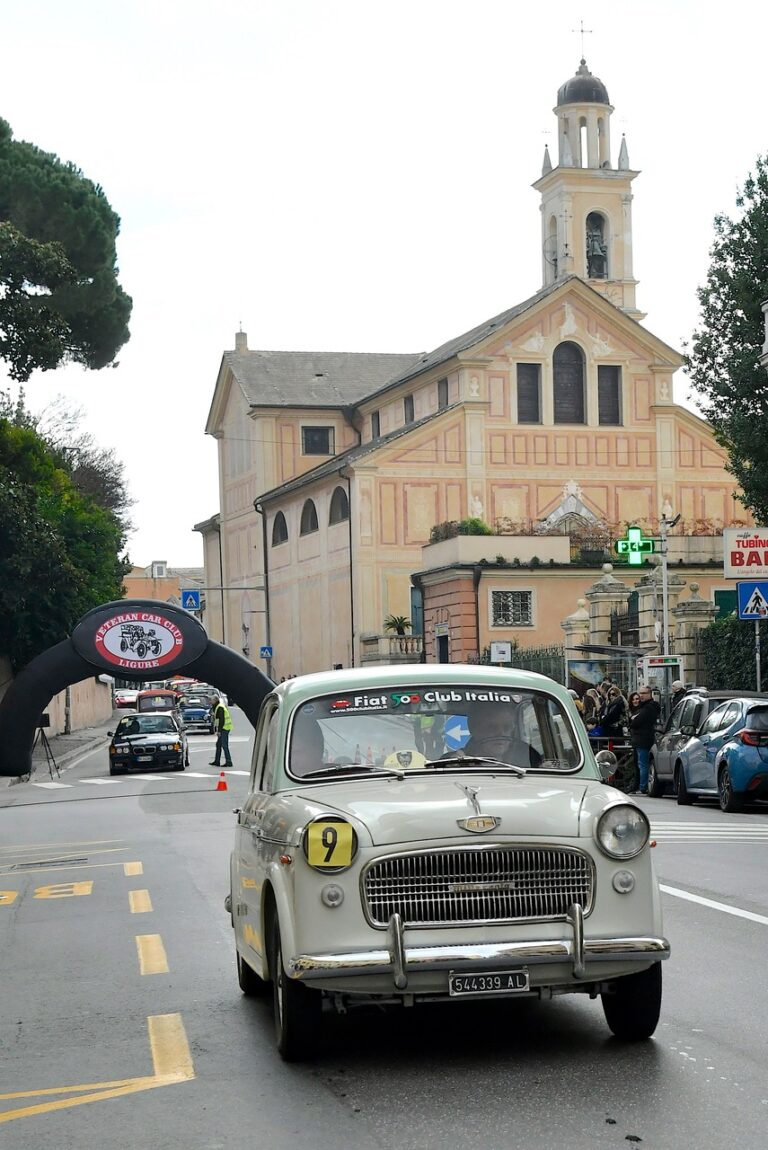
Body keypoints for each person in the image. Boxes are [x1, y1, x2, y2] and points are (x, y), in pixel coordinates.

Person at [461, 703, 542, 768]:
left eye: (507, 728)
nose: (501, 733)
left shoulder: (529, 757)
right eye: (492, 728)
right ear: (473, 729)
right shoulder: (456, 762)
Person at [629, 685, 661, 793]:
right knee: (640, 763)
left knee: (642, 764)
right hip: (642, 738)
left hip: (643, 739)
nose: (641, 695)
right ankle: (640, 785)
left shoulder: (649, 707)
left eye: (644, 693)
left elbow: (636, 722)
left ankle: (643, 786)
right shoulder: (645, 707)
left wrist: (633, 720)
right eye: (640, 693)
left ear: (650, 694)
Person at [209, 695, 234, 767]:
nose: (210, 702)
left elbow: (222, 720)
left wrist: (219, 731)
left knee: (224, 745)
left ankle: (229, 761)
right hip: (223, 728)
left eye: (211, 700)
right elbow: (218, 720)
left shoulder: (220, 707)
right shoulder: (217, 707)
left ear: (215, 701)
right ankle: (217, 761)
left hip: (225, 728)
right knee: (219, 744)